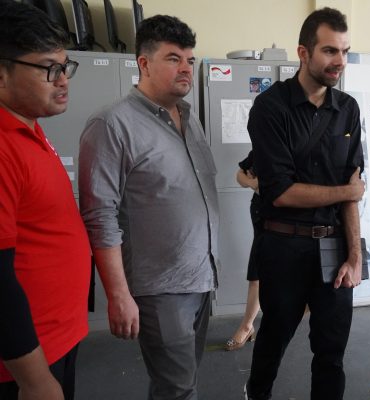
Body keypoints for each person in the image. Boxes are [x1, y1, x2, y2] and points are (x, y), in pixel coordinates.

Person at [77, 15, 219, 400]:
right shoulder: (112, 124)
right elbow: (99, 215)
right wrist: (118, 295)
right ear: (144, 63)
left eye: (190, 60)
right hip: (161, 289)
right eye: (174, 58)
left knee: (182, 383)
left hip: (202, 277)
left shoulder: (190, 118)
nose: (186, 68)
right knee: (178, 389)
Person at [245, 7, 365, 400]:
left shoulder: (348, 109)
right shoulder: (270, 108)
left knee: (331, 353)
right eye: (330, 51)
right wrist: (346, 192)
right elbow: (281, 192)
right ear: (303, 52)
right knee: (273, 341)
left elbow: (352, 188)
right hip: (283, 247)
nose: (340, 61)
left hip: (333, 246)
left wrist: (355, 255)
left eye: (345, 51)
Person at [0, 3, 91, 400]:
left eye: (65, 67)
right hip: (24, 362)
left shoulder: (30, 130)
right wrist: (34, 381)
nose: (63, 80)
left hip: (56, 337)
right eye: (49, 69)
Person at [226, 151, 260, 351]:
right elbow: (240, 174)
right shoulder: (264, 146)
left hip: (290, 218)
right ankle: (247, 326)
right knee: (257, 271)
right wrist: (253, 183)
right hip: (263, 214)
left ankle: (248, 326)